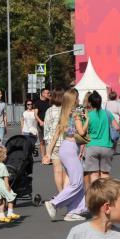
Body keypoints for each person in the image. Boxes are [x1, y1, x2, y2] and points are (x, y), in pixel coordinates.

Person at [44, 89, 88, 222]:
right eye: (77, 98)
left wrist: (48, 153)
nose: (79, 100)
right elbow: (81, 132)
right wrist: (87, 120)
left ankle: (75, 210)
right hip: (70, 148)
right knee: (77, 182)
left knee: (78, 181)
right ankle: (54, 203)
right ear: (73, 100)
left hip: (65, 148)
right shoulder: (75, 115)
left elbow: (56, 135)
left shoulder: (64, 114)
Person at [79, 90, 116, 186]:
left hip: (92, 146)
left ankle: (96, 195)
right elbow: (117, 127)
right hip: (106, 146)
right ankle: (106, 193)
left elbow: (83, 132)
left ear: (90, 103)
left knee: (94, 174)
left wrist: (81, 150)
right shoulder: (107, 114)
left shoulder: (88, 116)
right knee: (105, 173)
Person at [42, 89, 66, 193]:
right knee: (66, 170)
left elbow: (46, 129)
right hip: (66, 142)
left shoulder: (49, 111)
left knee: (57, 170)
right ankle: (67, 191)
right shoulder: (67, 110)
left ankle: (61, 193)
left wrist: (48, 149)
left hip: (53, 143)